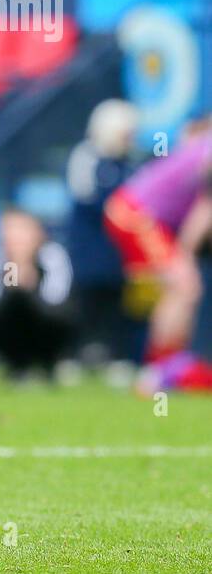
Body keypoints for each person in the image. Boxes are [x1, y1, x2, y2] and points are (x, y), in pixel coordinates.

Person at [103, 119, 212, 392]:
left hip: (135, 212)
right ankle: (159, 373)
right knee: (185, 285)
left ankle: (161, 370)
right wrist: (185, 255)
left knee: (178, 289)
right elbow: (205, 208)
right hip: (134, 213)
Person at [65, 99, 141, 375]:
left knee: (117, 301)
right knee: (86, 300)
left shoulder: (130, 163)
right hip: (89, 243)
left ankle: (118, 358)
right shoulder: (86, 156)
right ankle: (72, 356)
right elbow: (90, 198)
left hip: (119, 248)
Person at [0, 209, 74, 380]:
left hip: (45, 326)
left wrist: (30, 280)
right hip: (11, 327)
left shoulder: (52, 255)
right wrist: (12, 275)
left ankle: (48, 362)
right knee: (8, 306)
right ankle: (17, 364)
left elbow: (56, 298)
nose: (16, 239)